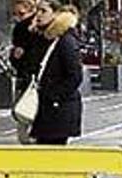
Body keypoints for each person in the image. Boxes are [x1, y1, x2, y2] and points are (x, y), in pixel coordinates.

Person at [28, 1, 82, 145]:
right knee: (44, 153)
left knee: (51, 154)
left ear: (56, 14)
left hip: (58, 109)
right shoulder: (45, 38)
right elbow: (30, 65)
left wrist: (54, 96)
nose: (38, 15)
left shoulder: (65, 40)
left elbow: (75, 76)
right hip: (47, 108)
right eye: (37, 11)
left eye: (43, 11)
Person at [10, 0, 48, 143]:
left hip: (34, 78)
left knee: (25, 117)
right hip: (28, 77)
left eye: (21, 13)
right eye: (16, 14)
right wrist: (15, 55)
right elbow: (16, 55)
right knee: (24, 115)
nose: (19, 17)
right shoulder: (22, 28)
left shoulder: (40, 28)